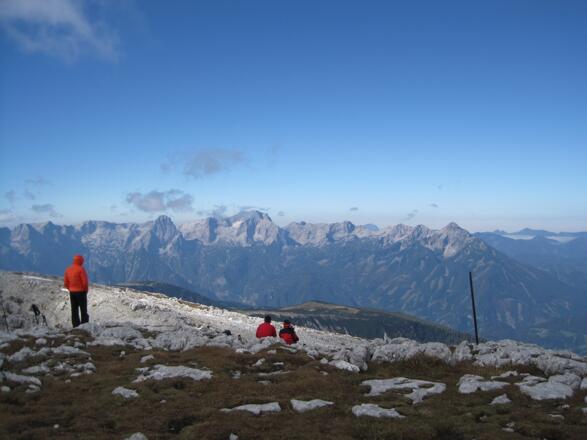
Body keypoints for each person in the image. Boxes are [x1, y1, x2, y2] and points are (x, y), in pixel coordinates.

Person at [64, 254, 89, 328]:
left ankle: (75, 325)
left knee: (74, 310)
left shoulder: (68, 269)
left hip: (72, 292)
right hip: (81, 292)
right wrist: (85, 290)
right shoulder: (81, 269)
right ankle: (84, 325)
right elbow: (85, 282)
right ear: (81, 261)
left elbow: (66, 282)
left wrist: (70, 288)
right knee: (83, 309)